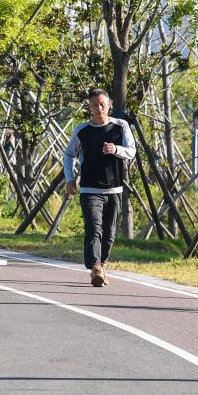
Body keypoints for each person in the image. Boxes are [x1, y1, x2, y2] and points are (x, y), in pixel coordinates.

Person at [63, 87, 135, 287]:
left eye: (102, 104)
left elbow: (131, 151)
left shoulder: (120, 126)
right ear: (89, 107)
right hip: (89, 189)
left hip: (114, 189)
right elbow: (69, 154)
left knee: (109, 234)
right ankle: (95, 267)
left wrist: (116, 149)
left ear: (109, 104)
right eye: (95, 105)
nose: (99, 108)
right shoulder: (82, 130)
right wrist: (70, 179)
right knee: (94, 228)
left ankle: (101, 266)